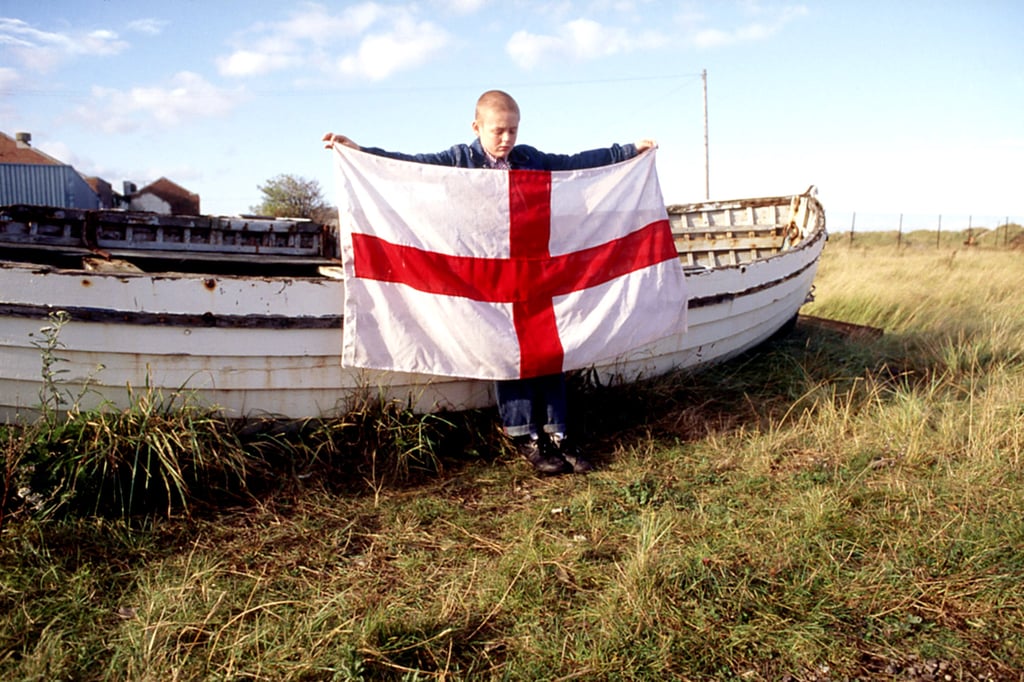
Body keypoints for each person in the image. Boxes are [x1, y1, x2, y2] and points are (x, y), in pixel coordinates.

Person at [324, 90, 655, 476]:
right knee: (505, 351)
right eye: (498, 131)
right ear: (476, 126)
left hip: (532, 272)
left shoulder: (529, 158)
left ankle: (560, 432)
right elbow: (409, 166)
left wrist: (628, 151)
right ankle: (526, 436)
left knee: (548, 349)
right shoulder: (457, 161)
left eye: (513, 131)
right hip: (483, 278)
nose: (506, 140)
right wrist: (361, 152)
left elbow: (576, 165)